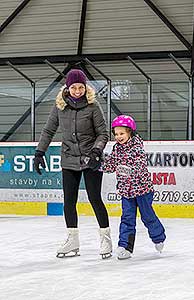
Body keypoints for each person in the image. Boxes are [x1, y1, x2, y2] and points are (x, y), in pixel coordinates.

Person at [34, 68, 112, 259]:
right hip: (68, 159)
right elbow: (48, 130)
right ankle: (72, 240)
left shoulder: (93, 105)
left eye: (81, 87)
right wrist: (39, 152)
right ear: (67, 88)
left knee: (95, 198)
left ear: (85, 87)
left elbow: (103, 133)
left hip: (90, 158)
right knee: (69, 201)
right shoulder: (60, 106)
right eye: (74, 87)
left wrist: (96, 151)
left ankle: (106, 238)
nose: (78, 91)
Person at [102, 115, 166, 260]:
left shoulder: (137, 147)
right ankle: (125, 246)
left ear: (130, 132)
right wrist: (98, 165)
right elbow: (111, 165)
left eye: (122, 133)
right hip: (126, 191)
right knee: (127, 218)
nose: (118, 137)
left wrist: (121, 168)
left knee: (148, 217)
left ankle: (159, 238)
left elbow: (137, 167)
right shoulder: (117, 148)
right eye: (116, 134)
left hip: (143, 190)